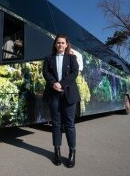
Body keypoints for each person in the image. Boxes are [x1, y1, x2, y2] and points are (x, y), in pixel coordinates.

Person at [43, 34, 81, 168]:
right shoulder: (48, 58)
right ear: (55, 45)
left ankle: (72, 153)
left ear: (66, 44)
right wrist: (54, 83)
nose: (60, 45)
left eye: (62, 43)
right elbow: (45, 73)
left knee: (70, 124)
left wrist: (62, 84)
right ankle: (57, 152)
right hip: (54, 94)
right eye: (58, 43)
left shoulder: (72, 58)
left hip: (69, 95)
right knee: (56, 124)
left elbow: (74, 73)